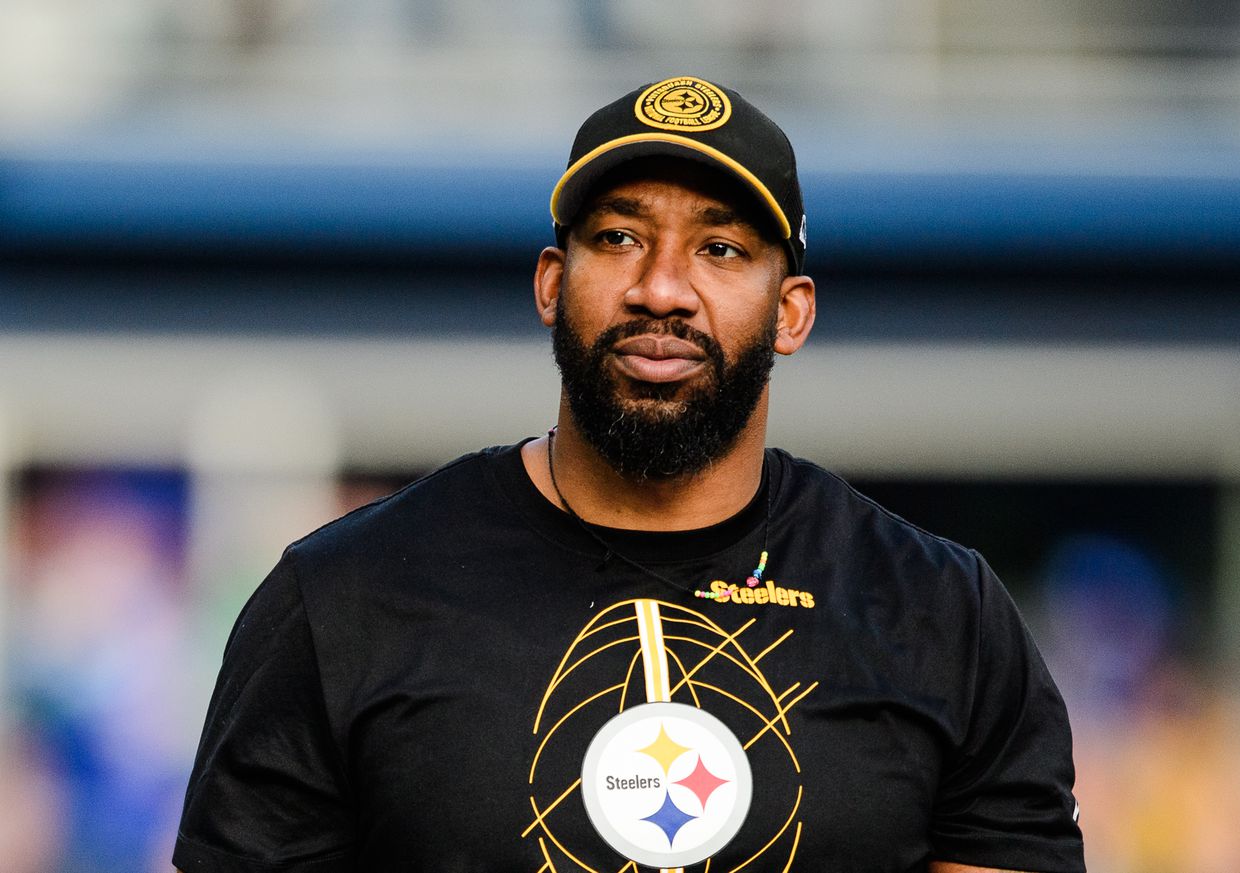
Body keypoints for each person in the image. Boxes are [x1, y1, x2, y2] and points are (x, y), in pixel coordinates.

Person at [173, 76, 1085, 873]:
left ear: (791, 311)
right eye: (617, 237)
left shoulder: (940, 613)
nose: (661, 287)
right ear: (550, 283)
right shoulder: (342, 598)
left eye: (720, 249)